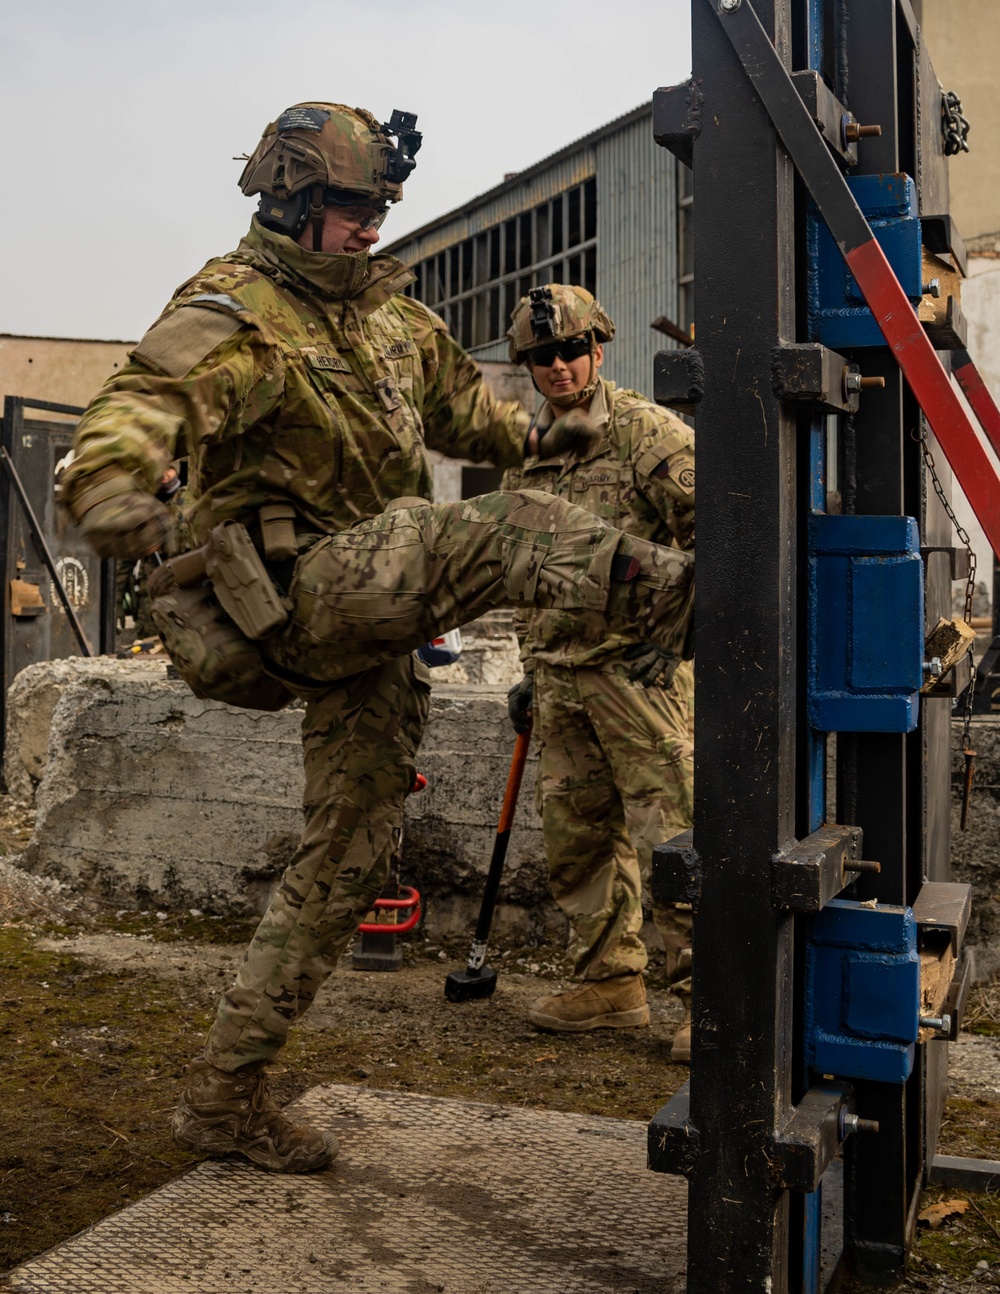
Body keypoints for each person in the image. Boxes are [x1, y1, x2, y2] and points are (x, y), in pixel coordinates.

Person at [60, 104, 695, 1173]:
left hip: (378, 621)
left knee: (347, 861)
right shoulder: (237, 309)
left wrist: (551, 432)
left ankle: (224, 1097)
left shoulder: (394, 325)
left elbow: (475, 424)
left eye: (380, 207)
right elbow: (142, 402)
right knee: (497, 531)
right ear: (294, 202)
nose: (371, 226)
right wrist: (116, 483)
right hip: (305, 589)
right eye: (353, 208)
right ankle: (675, 598)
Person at [502, 285, 695, 1062]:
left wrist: (679, 640)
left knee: (674, 842)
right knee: (579, 845)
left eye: (572, 350)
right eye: (542, 356)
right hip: (560, 676)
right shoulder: (534, 451)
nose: (559, 366)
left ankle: (706, 996)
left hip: (638, 677)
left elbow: (726, 535)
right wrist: (528, 668)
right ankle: (611, 985)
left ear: (599, 348)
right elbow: (520, 564)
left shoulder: (649, 434)